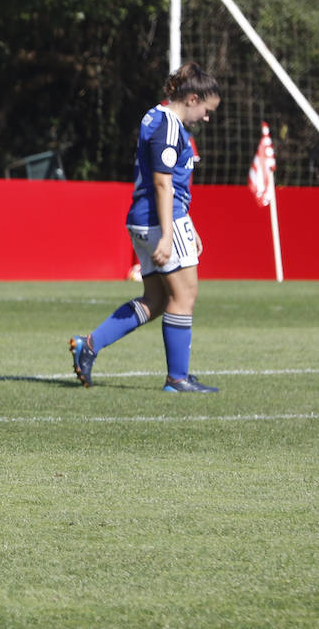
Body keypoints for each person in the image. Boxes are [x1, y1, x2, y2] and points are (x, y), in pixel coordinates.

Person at [69, 62, 222, 393]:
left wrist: (187, 224)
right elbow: (162, 184)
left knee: (154, 300)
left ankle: (89, 345)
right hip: (158, 219)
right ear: (193, 98)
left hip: (144, 217)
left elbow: (172, 185)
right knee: (185, 294)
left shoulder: (154, 115)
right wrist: (170, 234)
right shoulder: (169, 126)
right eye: (207, 110)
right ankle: (177, 378)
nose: (206, 118)